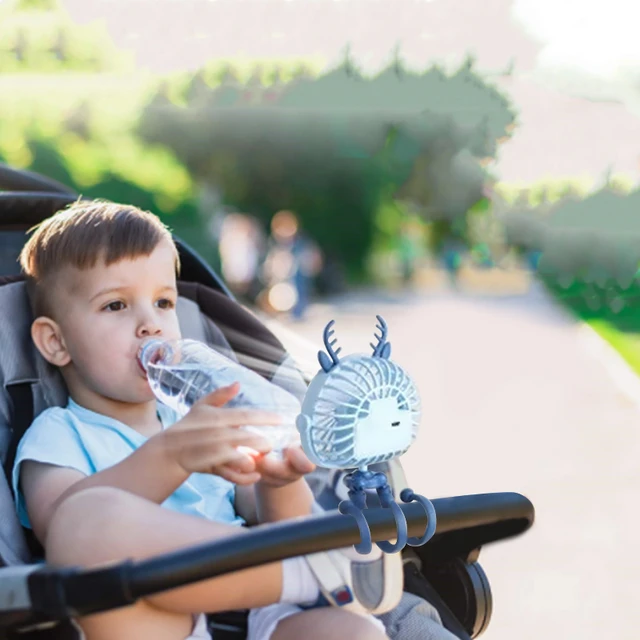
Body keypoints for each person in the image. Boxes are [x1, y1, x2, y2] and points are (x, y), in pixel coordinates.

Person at [11, 200, 400, 640]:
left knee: (354, 633)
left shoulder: (197, 417)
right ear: (56, 342)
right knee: (83, 520)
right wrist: (171, 456)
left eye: (163, 302)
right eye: (116, 306)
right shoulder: (57, 435)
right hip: (155, 624)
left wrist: (280, 479)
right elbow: (60, 530)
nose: (150, 325)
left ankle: (316, 569)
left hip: (255, 614)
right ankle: (313, 570)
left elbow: (275, 527)